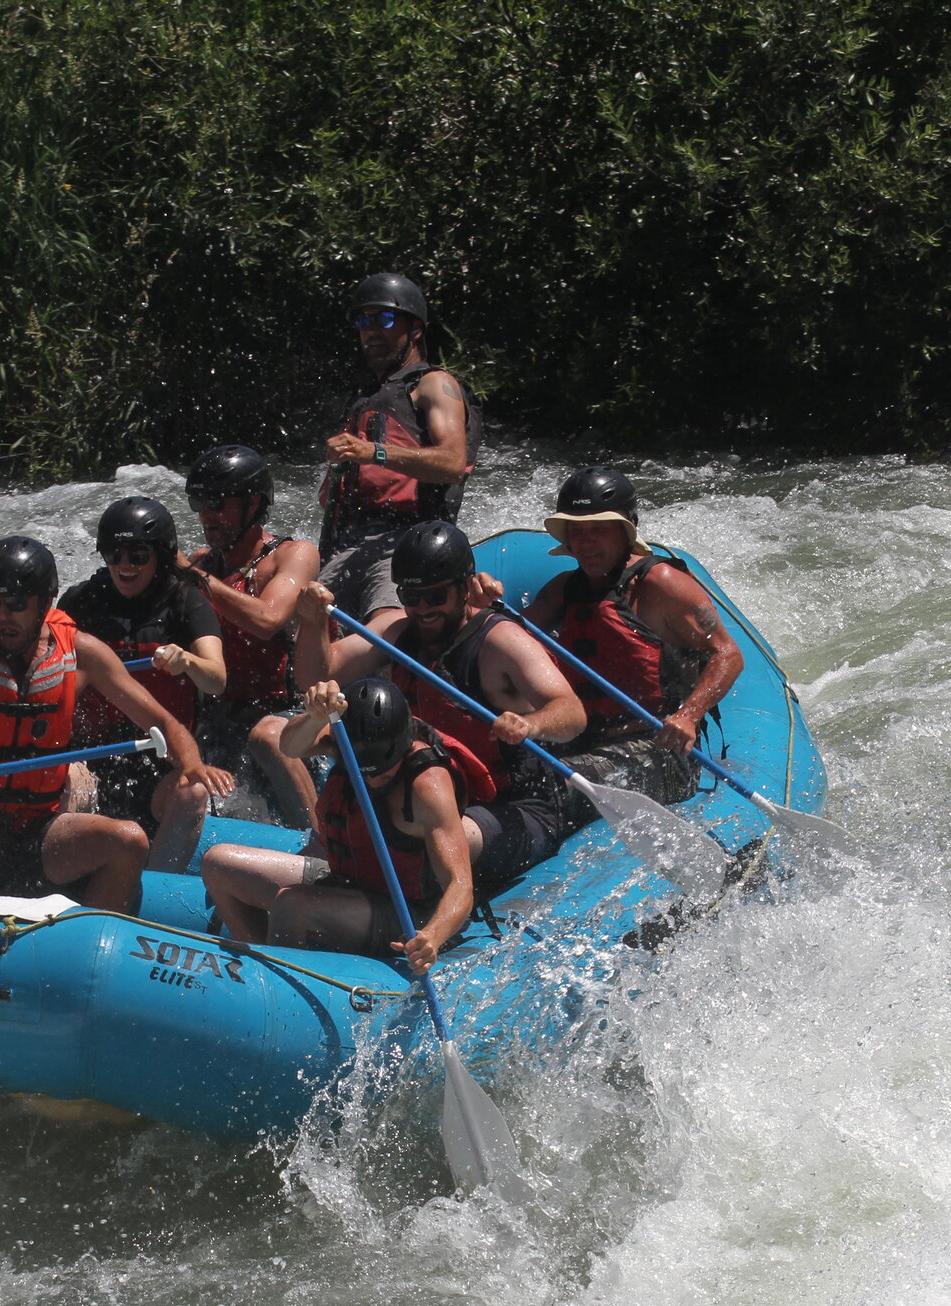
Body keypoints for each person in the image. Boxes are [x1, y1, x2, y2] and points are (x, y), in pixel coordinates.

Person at [0, 535, 222, 912]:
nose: (2, 616)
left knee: (128, 839)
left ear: (46, 602)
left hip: (34, 828)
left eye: (16, 604)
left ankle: (85, 948)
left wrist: (190, 764)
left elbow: (163, 722)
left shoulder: (82, 654)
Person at [296, 521, 587, 889]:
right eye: (411, 597)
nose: (422, 609)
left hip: (513, 807)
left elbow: (572, 713)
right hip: (431, 797)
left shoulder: (501, 641)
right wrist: (311, 621)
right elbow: (314, 678)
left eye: (435, 597)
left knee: (420, 839)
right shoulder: (396, 630)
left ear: (465, 588)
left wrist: (531, 724)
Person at [199, 679, 487, 973]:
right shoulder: (345, 742)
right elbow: (289, 745)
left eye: (383, 776)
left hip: (406, 912)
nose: (371, 781)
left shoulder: (428, 786)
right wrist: (315, 716)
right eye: (362, 773)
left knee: (291, 904)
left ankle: (278, 985)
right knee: (217, 864)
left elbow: (460, 885)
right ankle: (265, 968)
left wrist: (432, 937)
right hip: (347, 883)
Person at [520, 466, 744, 813]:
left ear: (625, 532)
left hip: (659, 752)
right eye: (577, 531)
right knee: (515, 771)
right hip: (583, 742)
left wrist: (689, 715)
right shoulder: (563, 590)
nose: (586, 542)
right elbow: (503, 638)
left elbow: (728, 654)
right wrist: (478, 604)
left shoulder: (660, 584)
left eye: (599, 530)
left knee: (549, 782)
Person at [57, 496, 235, 871]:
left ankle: (155, 889)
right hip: (94, 755)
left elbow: (216, 679)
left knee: (193, 791)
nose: (124, 565)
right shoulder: (81, 601)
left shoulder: (186, 599)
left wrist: (186, 661)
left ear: (161, 556)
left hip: (163, 760)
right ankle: (61, 879)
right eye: (114, 553)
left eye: (137, 555)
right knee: (63, 778)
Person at [315, 272, 474, 626]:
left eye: (384, 319)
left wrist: (374, 452)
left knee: (382, 625)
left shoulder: (434, 384)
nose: (371, 330)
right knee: (303, 627)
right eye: (363, 321)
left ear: (415, 328)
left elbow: (452, 462)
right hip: (349, 544)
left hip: (406, 544)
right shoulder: (363, 398)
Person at [176, 444, 321, 826]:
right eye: (198, 503)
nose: (206, 515)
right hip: (222, 718)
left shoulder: (293, 555)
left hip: (287, 717)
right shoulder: (200, 561)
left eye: (217, 503)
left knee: (264, 737)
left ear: (253, 504)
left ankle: (322, 842)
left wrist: (195, 579)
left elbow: (268, 618)